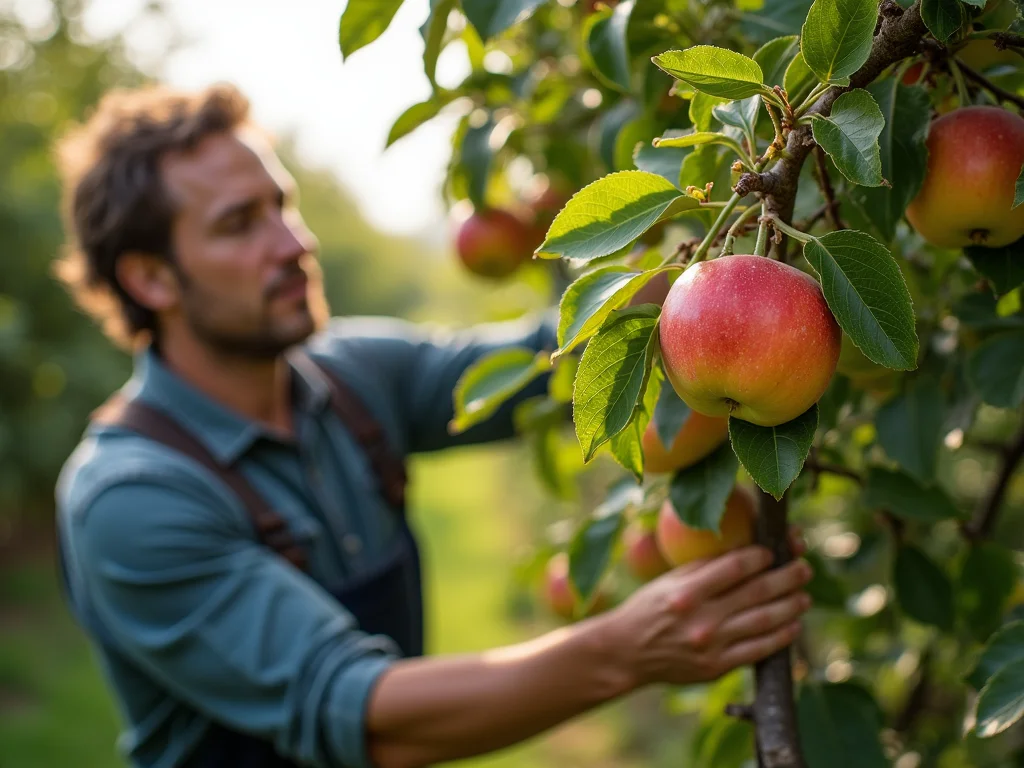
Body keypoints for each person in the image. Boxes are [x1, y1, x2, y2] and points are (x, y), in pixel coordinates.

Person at [52, 83, 813, 768]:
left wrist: (749, 214)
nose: (294, 242)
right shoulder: (131, 499)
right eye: (238, 224)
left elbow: (551, 353)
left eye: (282, 205)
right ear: (150, 277)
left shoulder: (351, 376)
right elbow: (363, 716)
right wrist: (621, 651)